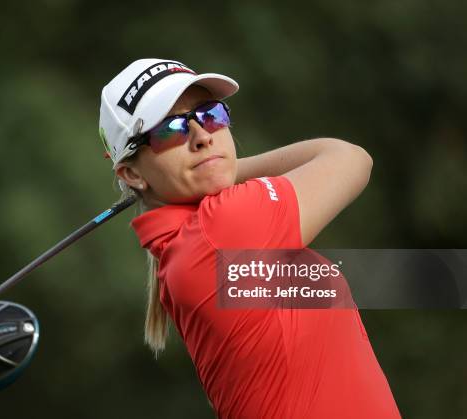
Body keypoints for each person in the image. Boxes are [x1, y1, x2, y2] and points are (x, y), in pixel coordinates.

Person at [98, 58, 401, 418]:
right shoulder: (222, 226)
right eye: (170, 131)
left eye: (210, 114)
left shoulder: (182, 250)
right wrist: (224, 165)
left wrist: (216, 167)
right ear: (132, 173)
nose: (203, 136)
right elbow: (350, 158)